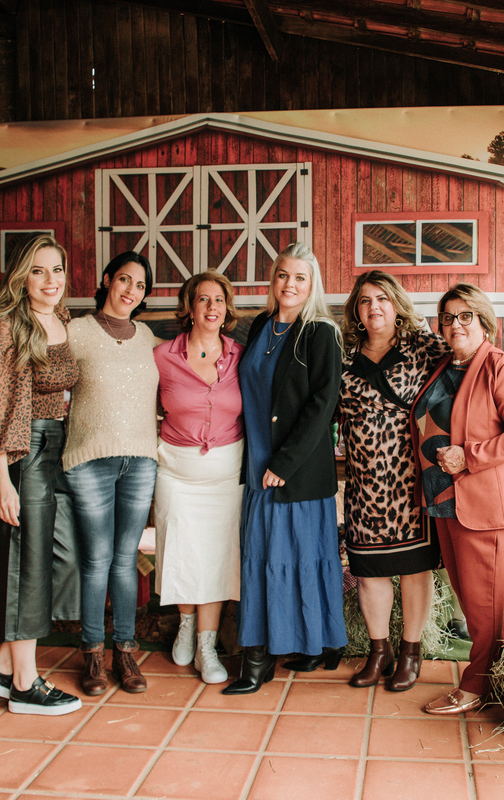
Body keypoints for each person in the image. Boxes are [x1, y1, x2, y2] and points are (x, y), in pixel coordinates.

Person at [410, 283, 504, 715]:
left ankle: (475, 685)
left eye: (465, 315)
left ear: (484, 320)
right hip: (443, 500)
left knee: (481, 603)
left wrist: (469, 456)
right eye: (447, 317)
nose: (455, 324)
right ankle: (501, 679)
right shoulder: (445, 366)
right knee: (475, 601)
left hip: (482, 503)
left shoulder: (503, 368)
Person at [223, 241, 347, 694]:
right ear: (272, 281)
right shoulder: (260, 326)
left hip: (293, 472)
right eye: (282, 275)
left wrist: (285, 462)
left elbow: (322, 405)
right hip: (256, 466)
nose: (289, 284)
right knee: (263, 559)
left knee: (297, 560)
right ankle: (307, 645)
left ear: (311, 284)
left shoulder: (320, 333)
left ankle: (267, 657)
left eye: (299, 277)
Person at [0, 234, 82, 716]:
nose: (50, 280)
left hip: (57, 447)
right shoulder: (7, 327)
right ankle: (24, 681)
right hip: (20, 451)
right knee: (23, 562)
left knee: (66, 555)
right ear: (21, 276)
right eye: (39, 271)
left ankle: (0, 665)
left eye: (56, 269)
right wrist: (1, 478)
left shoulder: (61, 319)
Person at [336, 271, 449, 692]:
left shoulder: (422, 347)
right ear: (357, 311)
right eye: (365, 301)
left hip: (410, 479)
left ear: (396, 304)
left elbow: (464, 374)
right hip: (364, 482)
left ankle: (410, 652)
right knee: (370, 572)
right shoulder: (345, 358)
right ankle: (378, 650)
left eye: (382, 298)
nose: (374, 307)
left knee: (414, 570)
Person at [63, 251, 159, 696]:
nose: (130, 291)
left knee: (126, 561)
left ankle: (125, 651)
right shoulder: (76, 331)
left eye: (140, 286)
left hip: (140, 460)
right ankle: (93, 656)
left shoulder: (149, 339)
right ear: (107, 280)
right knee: (96, 560)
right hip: (89, 459)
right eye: (124, 280)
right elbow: (49, 382)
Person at [153, 272, 245, 685]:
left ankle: (207, 644)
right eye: (203, 299)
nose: (212, 307)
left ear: (227, 309)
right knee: (181, 550)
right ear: (189, 307)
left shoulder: (241, 355)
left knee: (218, 555)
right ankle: (185, 624)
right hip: (175, 470)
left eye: (219, 300)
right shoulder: (161, 356)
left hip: (226, 474)